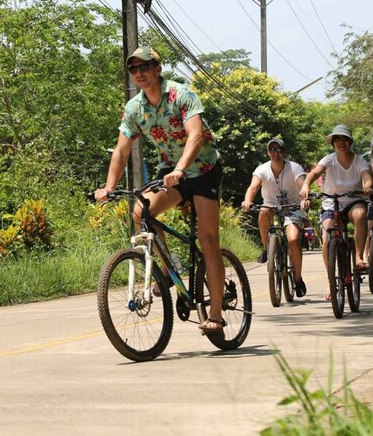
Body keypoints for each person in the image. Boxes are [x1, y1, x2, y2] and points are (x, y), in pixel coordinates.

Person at [94, 46, 226, 336]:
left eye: (145, 67)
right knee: (141, 210)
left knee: (207, 240)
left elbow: (196, 135)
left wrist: (181, 168)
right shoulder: (134, 108)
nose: (139, 73)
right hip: (172, 174)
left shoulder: (181, 95)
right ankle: (168, 268)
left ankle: (215, 313)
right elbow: (122, 149)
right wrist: (109, 187)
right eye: (133, 69)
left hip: (203, 170)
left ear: (157, 69)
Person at [300, 124, 373, 299]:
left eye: (345, 139)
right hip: (331, 203)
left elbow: (367, 177)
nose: (341, 142)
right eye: (338, 139)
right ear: (333, 143)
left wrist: (367, 186)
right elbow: (314, 173)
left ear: (350, 142)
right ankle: (330, 280)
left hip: (353, 201)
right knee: (327, 239)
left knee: (361, 215)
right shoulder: (329, 159)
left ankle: (359, 257)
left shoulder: (359, 161)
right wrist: (305, 185)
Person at [242, 137, 310, 297]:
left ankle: (298, 279)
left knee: (293, 240)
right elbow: (253, 187)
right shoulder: (262, 170)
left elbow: (302, 183)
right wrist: (247, 200)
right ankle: (267, 249)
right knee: (263, 212)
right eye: (272, 149)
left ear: (284, 152)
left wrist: (305, 196)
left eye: (278, 149)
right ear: (268, 153)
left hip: (292, 206)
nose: (275, 153)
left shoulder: (294, 167)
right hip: (271, 205)